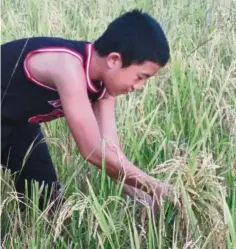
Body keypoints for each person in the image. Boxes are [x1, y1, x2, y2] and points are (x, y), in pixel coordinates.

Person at [1, 9, 171, 211]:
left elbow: (111, 154)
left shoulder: (105, 90)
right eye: (140, 77)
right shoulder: (67, 66)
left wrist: (147, 199)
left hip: (17, 124)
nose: (139, 87)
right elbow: (93, 151)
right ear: (114, 60)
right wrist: (157, 187)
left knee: (47, 200)